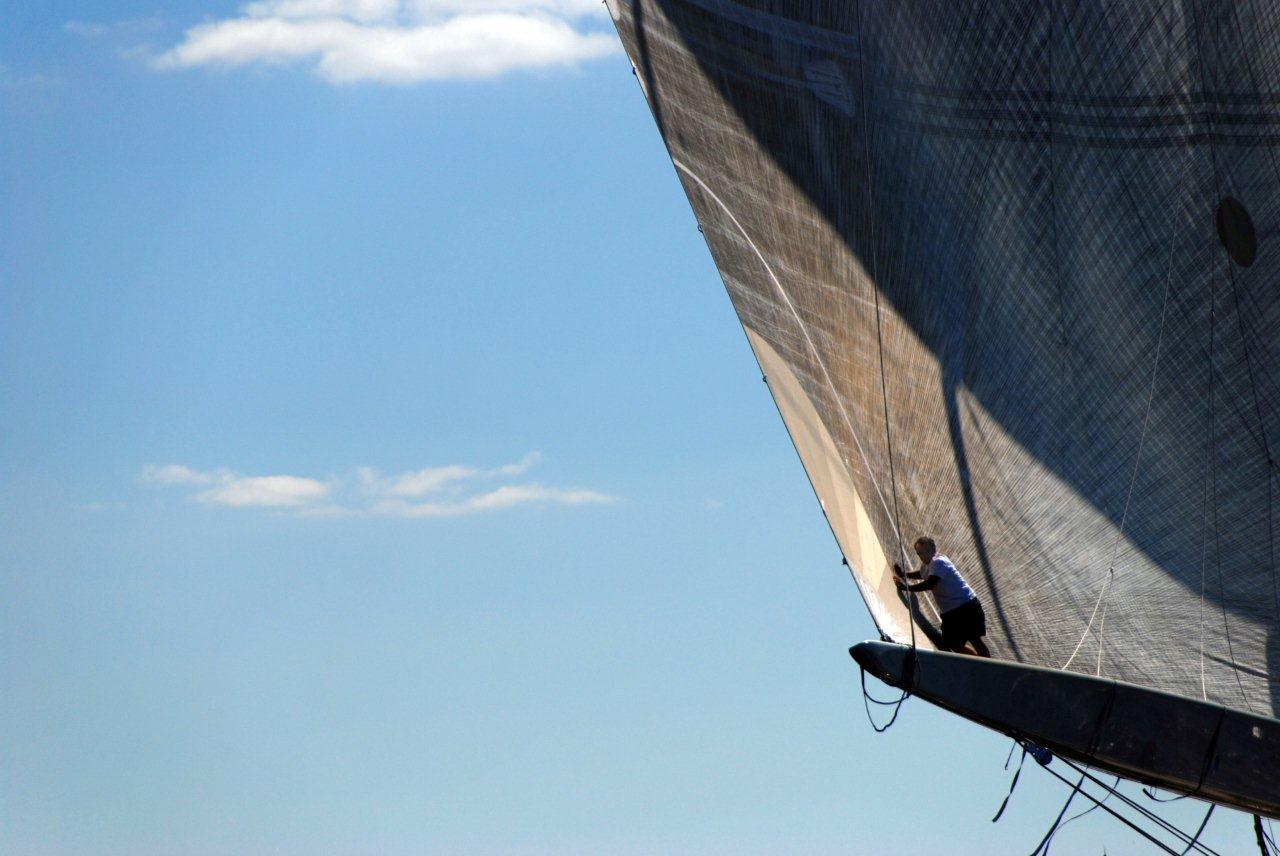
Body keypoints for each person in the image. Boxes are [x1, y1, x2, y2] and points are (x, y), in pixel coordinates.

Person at [893, 536, 991, 657]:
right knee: (953, 644)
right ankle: (977, 661)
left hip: (966, 606)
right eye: (920, 553)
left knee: (974, 639)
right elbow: (922, 574)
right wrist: (904, 574)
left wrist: (906, 588)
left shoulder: (938, 562)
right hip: (951, 612)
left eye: (926, 551)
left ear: (933, 549)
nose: (923, 556)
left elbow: (930, 583)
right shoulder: (927, 565)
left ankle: (986, 664)